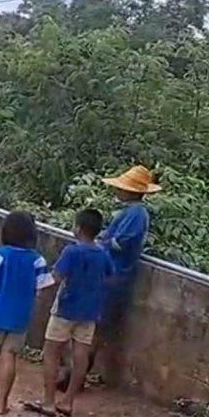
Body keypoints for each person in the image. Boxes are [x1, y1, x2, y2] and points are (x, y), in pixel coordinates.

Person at [58, 165, 161, 388]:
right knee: (91, 329)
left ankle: (75, 376)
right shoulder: (132, 212)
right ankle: (76, 375)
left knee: (91, 330)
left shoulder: (135, 214)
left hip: (113, 277)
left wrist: (100, 240)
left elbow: (119, 242)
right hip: (112, 276)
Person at [26, 208, 114, 417]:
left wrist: (34, 284)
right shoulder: (102, 254)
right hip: (90, 312)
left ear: (78, 228)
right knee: (80, 356)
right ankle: (68, 402)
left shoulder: (71, 252)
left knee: (52, 352)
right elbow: (109, 275)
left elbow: (56, 277)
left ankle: (48, 401)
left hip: (66, 308)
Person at [0, 211, 55, 414]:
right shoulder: (37, 260)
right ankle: (2, 403)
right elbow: (43, 288)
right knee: (9, 356)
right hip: (20, 313)